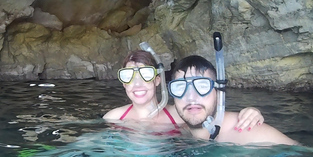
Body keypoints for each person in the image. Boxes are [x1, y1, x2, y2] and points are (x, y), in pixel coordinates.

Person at [103, 50, 264, 133]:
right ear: (124, 83)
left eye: (145, 75)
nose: (137, 83)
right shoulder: (113, 118)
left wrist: (252, 112)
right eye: (128, 76)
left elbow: (215, 117)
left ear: (158, 80)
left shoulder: (180, 115)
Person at [169, 54, 298, 145]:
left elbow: (306, 156)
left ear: (219, 94)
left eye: (203, 86)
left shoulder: (252, 135)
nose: (191, 97)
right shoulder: (180, 133)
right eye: (180, 87)